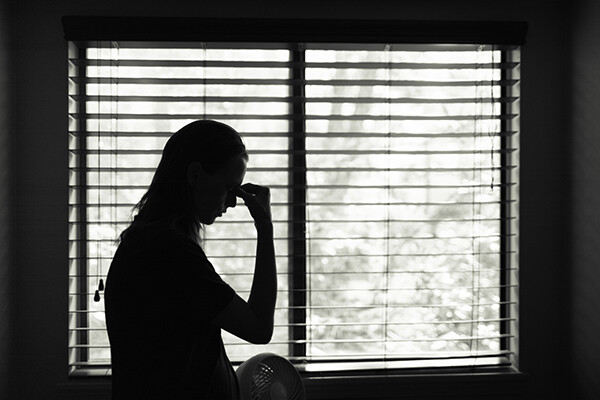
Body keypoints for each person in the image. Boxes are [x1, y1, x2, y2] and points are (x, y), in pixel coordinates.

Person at [104, 120, 277, 400]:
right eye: (229, 187)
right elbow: (258, 328)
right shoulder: (169, 253)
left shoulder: (152, 241)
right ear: (195, 174)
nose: (233, 203)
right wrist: (265, 228)